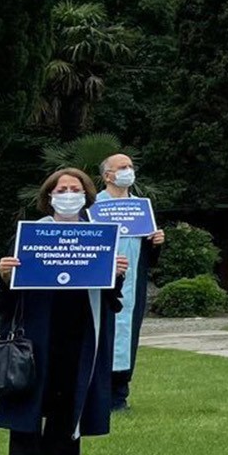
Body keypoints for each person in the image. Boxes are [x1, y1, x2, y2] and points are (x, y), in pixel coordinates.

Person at [0, 168, 127, 455]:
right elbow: (10, 291)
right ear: (49, 196)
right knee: (30, 395)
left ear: (86, 195)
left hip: (81, 330)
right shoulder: (31, 233)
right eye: (61, 189)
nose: (68, 194)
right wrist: (4, 275)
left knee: (71, 395)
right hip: (37, 329)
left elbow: (110, 296)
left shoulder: (99, 237)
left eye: (74, 188)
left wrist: (116, 274)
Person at [93, 152, 164, 411]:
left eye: (131, 166)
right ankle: (97, 394)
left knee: (127, 337)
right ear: (107, 175)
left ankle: (119, 395)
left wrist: (154, 243)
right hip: (102, 285)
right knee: (101, 336)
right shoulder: (93, 206)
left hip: (133, 284)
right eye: (122, 167)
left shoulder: (140, 207)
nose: (128, 171)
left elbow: (149, 257)